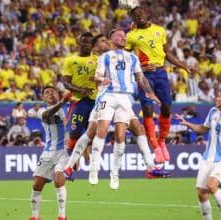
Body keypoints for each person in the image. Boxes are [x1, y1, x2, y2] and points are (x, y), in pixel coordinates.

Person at [64, 34, 170, 186]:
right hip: (103, 98)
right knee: (92, 132)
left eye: (107, 40)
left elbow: (125, 68)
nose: (106, 42)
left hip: (121, 98)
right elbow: (90, 73)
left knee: (138, 129)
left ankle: (150, 167)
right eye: (102, 41)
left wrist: (144, 70)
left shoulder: (118, 57)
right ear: (96, 48)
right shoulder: (96, 60)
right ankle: (71, 166)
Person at [92, 28, 161, 190]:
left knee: (133, 131)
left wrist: (151, 94)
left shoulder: (132, 57)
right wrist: (102, 79)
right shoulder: (105, 57)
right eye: (118, 35)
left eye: (124, 36)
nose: (123, 38)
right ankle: (94, 169)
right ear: (110, 40)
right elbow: (98, 75)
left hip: (125, 98)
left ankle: (147, 168)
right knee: (100, 131)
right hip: (108, 96)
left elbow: (140, 77)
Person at [126, 6, 195, 164]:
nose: (140, 16)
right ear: (133, 19)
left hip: (161, 74)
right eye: (136, 15)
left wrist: (184, 66)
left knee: (166, 108)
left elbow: (167, 53)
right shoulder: (131, 36)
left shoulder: (160, 30)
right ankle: (156, 147)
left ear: (147, 14)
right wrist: (142, 68)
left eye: (141, 13)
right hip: (144, 76)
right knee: (148, 110)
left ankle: (162, 141)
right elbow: (126, 59)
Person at [174, 88, 221, 220]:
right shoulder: (213, 112)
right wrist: (187, 124)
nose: (215, 99)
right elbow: (203, 128)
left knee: (211, 185)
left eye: (218, 96)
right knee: (202, 193)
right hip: (207, 158)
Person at [29, 86, 71, 220]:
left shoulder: (70, 108)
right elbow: (48, 116)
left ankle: (62, 216)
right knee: (36, 185)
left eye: (52, 92)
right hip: (48, 152)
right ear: (43, 98)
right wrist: (62, 102)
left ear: (58, 94)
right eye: (46, 93)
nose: (50, 94)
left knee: (58, 180)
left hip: (65, 151)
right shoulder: (42, 111)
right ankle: (35, 217)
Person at [62, 32, 97, 163]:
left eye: (90, 42)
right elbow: (66, 83)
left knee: (93, 133)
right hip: (78, 101)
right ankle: (72, 159)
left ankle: (85, 149)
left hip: (95, 101)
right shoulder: (70, 60)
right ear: (79, 43)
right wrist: (81, 90)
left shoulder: (98, 60)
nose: (87, 45)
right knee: (74, 133)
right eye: (85, 42)